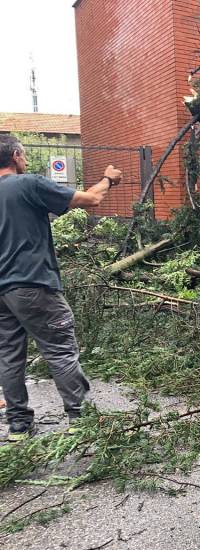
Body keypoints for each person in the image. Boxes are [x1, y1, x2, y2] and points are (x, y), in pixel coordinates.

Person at [0, 135, 121, 442]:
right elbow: (91, 200)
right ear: (15, 155)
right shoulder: (28, 184)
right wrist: (108, 179)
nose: (26, 160)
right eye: (24, 155)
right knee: (60, 348)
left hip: (3, 291)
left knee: (10, 356)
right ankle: (80, 418)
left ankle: (18, 427)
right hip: (33, 284)